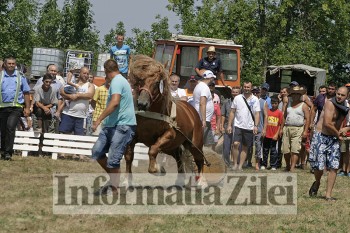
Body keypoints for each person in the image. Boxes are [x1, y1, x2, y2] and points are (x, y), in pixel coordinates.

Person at [91, 59, 136, 196]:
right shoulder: (120, 80)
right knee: (97, 152)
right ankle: (114, 181)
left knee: (113, 160)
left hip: (122, 125)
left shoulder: (117, 81)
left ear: (106, 70)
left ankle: (115, 190)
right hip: (111, 124)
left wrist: (99, 119)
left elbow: (115, 102)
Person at [309, 86, 350, 201]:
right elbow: (327, 123)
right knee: (319, 168)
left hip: (334, 138)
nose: (339, 96)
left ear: (347, 96)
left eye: (342, 95)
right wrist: (339, 135)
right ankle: (317, 182)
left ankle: (328, 195)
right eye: (338, 94)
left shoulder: (347, 107)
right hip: (321, 136)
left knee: (334, 166)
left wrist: (346, 129)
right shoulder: (329, 103)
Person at [0, 56, 31, 160]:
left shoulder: (20, 76)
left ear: (15, 65)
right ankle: (3, 151)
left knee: (10, 127)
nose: (11, 65)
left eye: (13, 63)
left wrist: (27, 108)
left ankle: (8, 152)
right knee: (3, 130)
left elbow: (26, 92)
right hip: (2, 107)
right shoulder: (0, 76)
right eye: (9, 63)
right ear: (5, 64)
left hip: (16, 107)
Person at [227, 81, 260, 171]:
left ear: (251, 88)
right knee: (235, 144)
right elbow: (232, 112)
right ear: (243, 87)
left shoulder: (255, 99)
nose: (246, 88)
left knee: (245, 147)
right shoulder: (237, 98)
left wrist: (256, 126)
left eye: (248, 87)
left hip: (249, 126)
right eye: (245, 87)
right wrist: (229, 125)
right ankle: (234, 164)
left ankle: (240, 165)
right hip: (238, 125)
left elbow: (257, 114)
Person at [58, 67, 95, 135]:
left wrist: (77, 95)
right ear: (80, 73)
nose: (86, 75)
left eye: (87, 74)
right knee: (64, 136)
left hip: (81, 116)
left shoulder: (90, 85)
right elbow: (61, 91)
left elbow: (90, 95)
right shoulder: (73, 83)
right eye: (84, 73)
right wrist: (70, 96)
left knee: (79, 138)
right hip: (68, 114)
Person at [282, 86, 310, 172]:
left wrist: (305, 131)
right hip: (287, 127)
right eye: (294, 94)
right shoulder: (288, 104)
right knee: (285, 149)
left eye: (297, 94)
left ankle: (292, 167)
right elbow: (284, 117)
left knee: (295, 149)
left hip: (298, 129)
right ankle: (287, 165)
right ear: (291, 95)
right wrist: (281, 128)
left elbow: (308, 119)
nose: (295, 96)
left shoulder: (304, 105)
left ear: (300, 95)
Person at [192, 70, 215, 147]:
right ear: (211, 78)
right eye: (212, 78)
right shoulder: (205, 88)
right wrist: (204, 120)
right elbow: (202, 103)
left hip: (202, 117)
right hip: (203, 119)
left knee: (207, 142)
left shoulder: (199, 85)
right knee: (205, 143)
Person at [262, 95, 284, 170]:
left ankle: (273, 165)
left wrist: (276, 134)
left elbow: (280, 125)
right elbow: (265, 122)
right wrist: (264, 131)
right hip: (267, 134)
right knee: (265, 150)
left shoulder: (279, 113)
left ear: (278, 103)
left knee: (273, 151)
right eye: (272, 103)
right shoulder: (268, 111)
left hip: (274, 135)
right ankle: (264, 164)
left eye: (275, 103)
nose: (274, 105)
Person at [221, 86, 240, 168]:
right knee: (226, 146)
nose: (235, 94)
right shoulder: (226, 102)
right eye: (233, 92)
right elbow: (223, 115)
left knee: (237, 146)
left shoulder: (242, 102)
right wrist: (221, 126)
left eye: (237, 92)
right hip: (228, 125)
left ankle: (237, 163)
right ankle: (226, 163)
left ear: (239, 93)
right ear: (231, 92)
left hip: (239, 126)